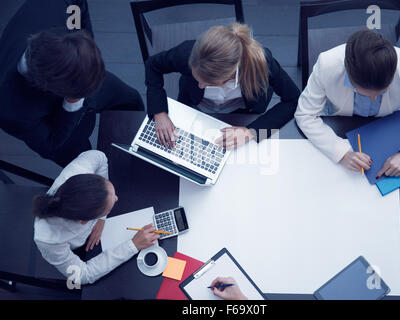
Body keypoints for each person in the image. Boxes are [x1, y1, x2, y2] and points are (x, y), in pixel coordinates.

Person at [0, 0, 144, 168]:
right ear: (51, 89)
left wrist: (84, 47)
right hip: (57, 127)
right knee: (86, 162)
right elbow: (51, 144)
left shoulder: (58, 4)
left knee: (130, 99)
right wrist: (72, 103)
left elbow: (77, 4)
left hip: (80, 69)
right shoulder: (11, 112)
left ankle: (138, 152)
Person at [295, 30, 400, 178]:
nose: (374, 99)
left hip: (391, 121)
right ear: (349, 75)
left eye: (381, 92)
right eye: (364, 93)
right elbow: (305, 114)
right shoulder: (326, 65)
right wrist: (341, 153)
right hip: (342, 120)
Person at [145, 23, 300, 150]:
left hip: (243, 114)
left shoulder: (263, 63)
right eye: (196, 78)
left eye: (207, 83)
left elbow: (293, 99)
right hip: (194, 107)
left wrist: (250, 131)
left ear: (230, 74)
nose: (200, 85)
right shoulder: (186, 53)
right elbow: (153, 65)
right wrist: (159, 112)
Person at [33, 150, 158, 285]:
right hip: (76, 251)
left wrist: (102, 218)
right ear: (86, 222)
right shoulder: (49, 241)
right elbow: (82, 276)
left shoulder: (81, 169)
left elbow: (100, 157)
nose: (116, 198)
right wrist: (133, 245)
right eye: (108, 208)